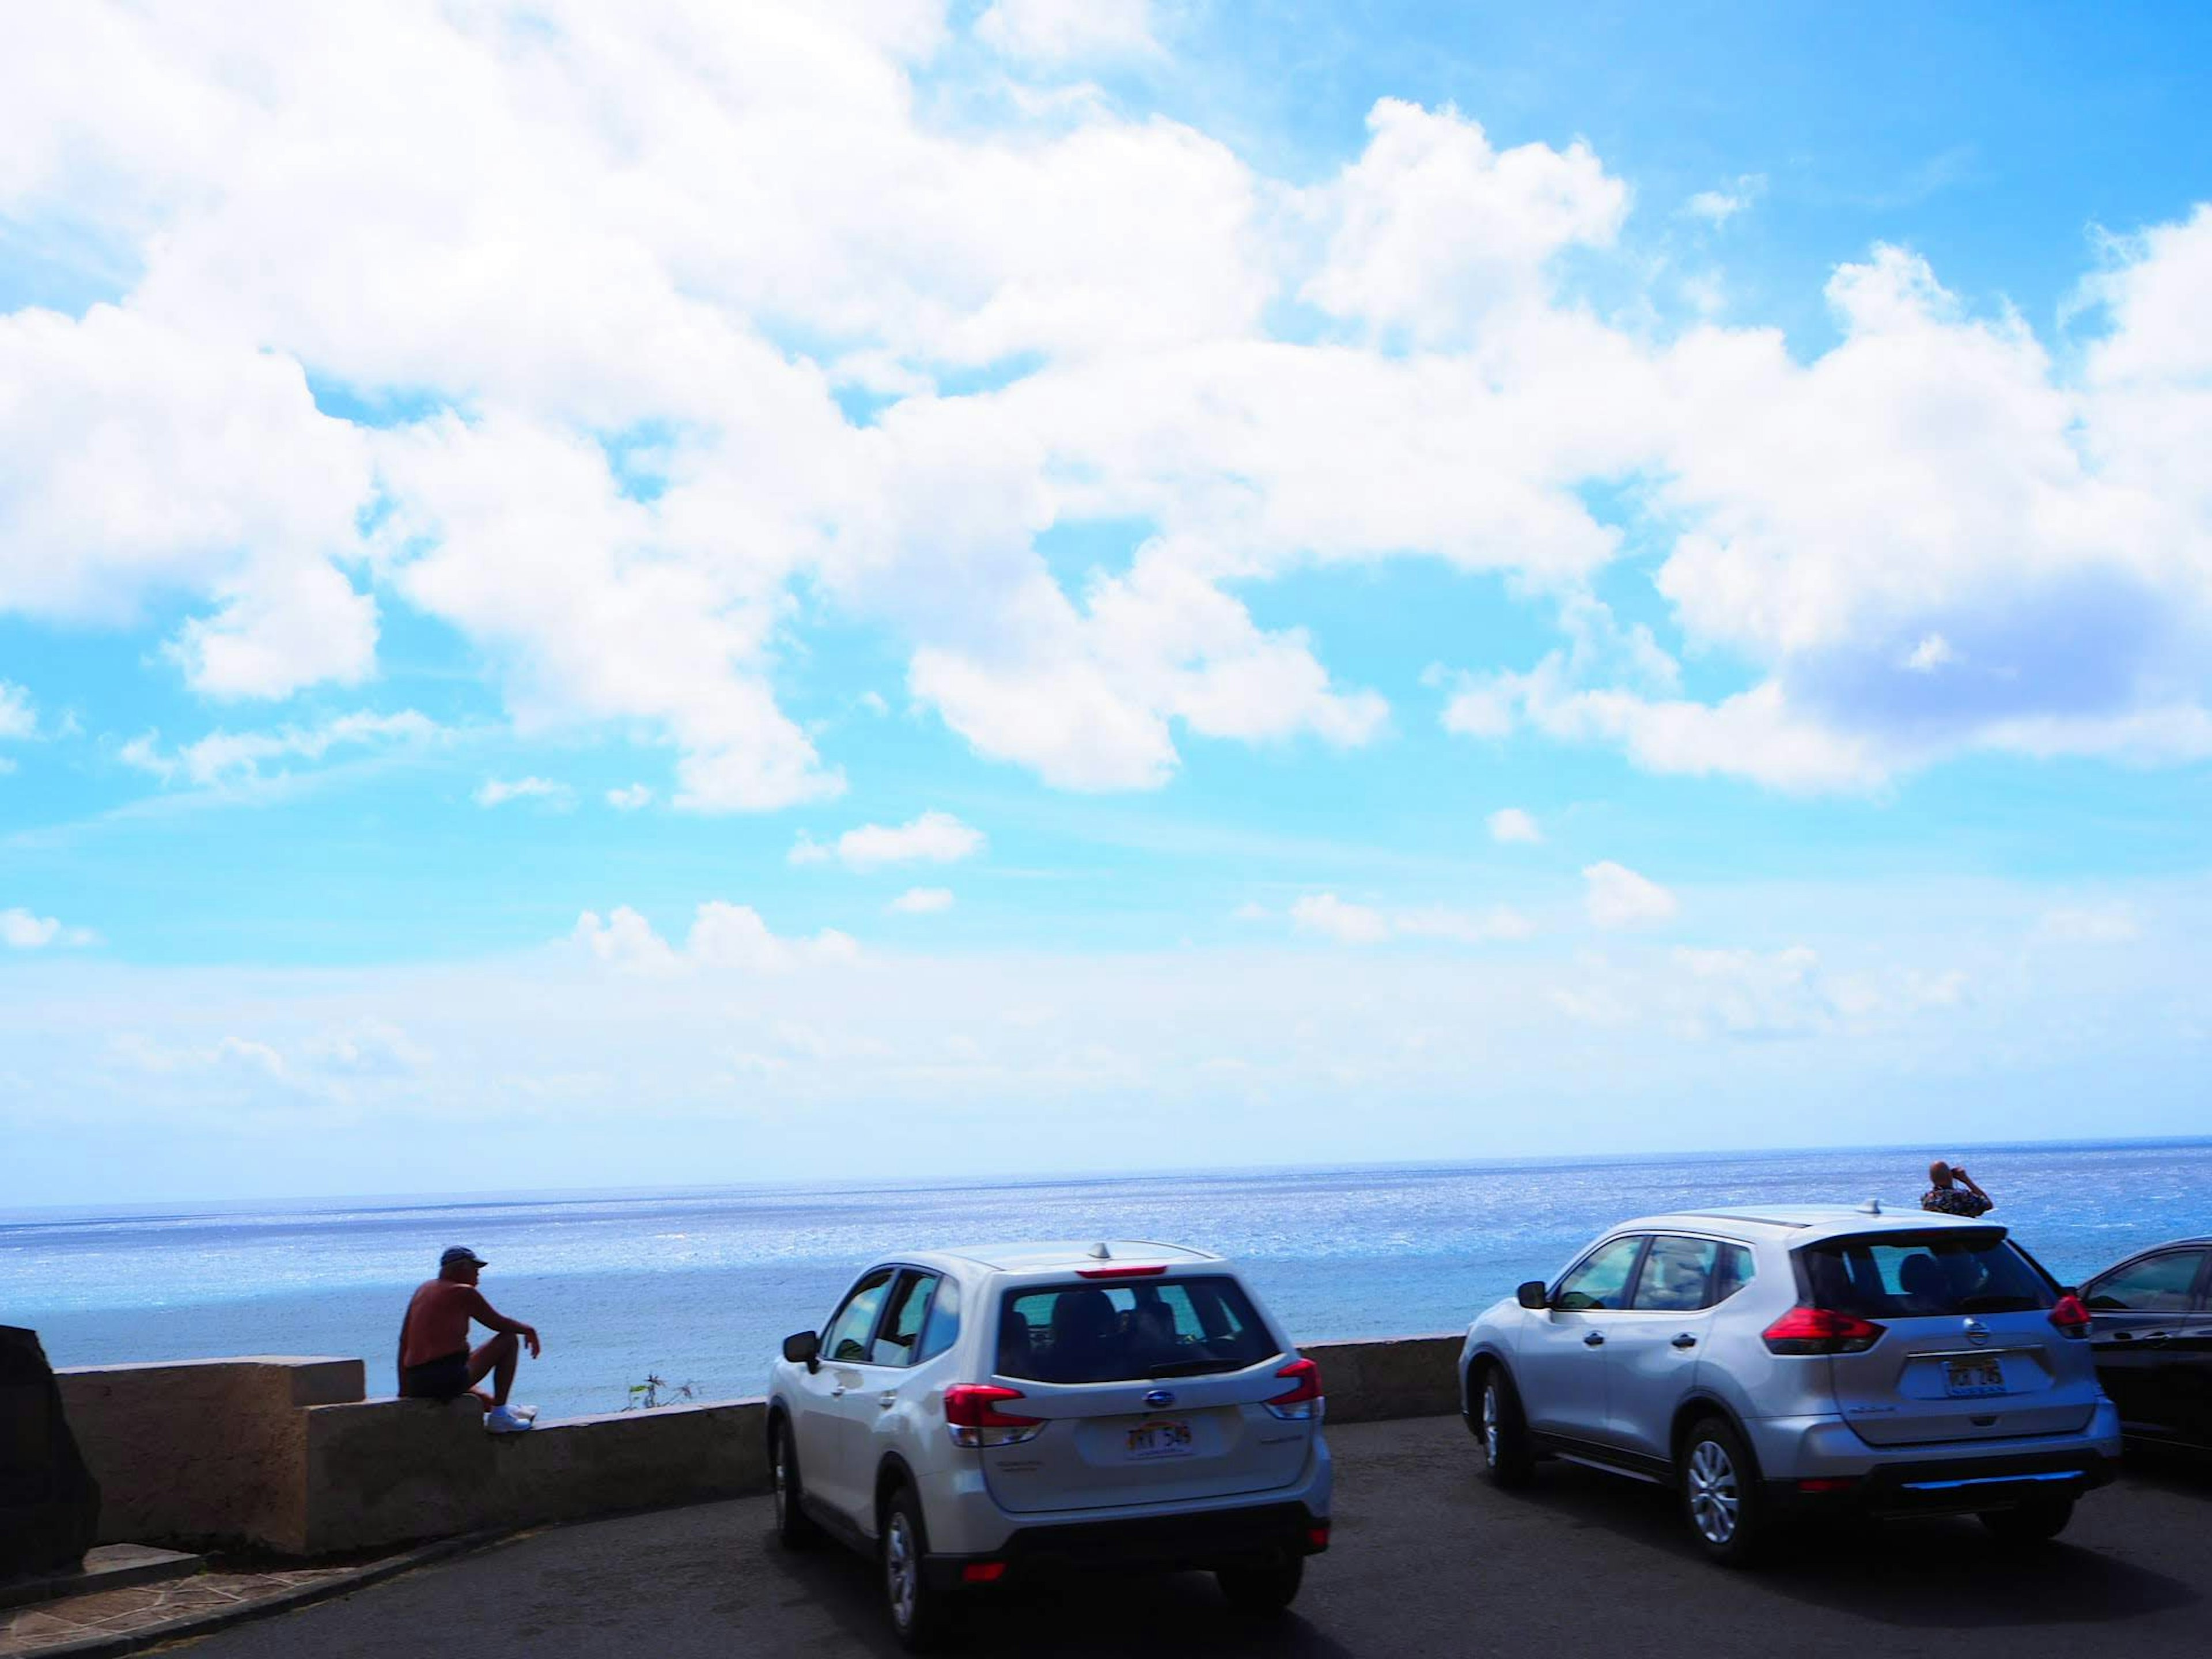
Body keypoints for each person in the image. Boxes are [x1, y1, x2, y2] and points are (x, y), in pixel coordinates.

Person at [396, 1245, 542, 1433]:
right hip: (444, 1379)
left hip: (417, 1382)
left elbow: (404, 1341)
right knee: (508, 1340)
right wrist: (528, 1330)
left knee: (464, 1373)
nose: (478, 1276)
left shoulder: (423, 1290)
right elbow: (497, 1323)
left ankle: (502, 1409)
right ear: (463, 1268)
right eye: (476, 1270)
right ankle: (499, 1417)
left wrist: (404, 1390)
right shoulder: (463, 1292)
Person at [1920, 1159, 1994, 1218]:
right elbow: (1988, 1205)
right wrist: (1966, 1180)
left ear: (1931, 1179)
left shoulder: (1927, 1199)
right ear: (1951, 1176)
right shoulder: (1963, 1196)